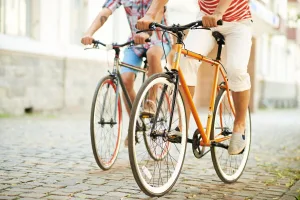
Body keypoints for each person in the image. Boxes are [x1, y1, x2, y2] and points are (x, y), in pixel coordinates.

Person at [136, 0, 252, 155]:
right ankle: (183, 125)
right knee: (185, 60)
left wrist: (218, 12)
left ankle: (239, 125)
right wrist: (150, 15)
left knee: (236, 70)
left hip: (238, 22)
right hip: (206, 21)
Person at [81, 0, 171, 146]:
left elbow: (159, 11)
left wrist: (147, 32)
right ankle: (135, 123)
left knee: (153, 55)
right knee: (125, 80)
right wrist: (89, 32)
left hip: (159, 40)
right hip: (135, 43)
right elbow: (105, 12)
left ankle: (151, 101)